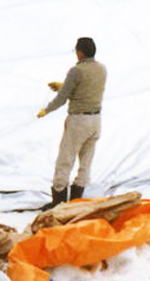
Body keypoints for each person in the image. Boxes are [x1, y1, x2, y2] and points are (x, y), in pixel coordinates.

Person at [35, 37, 106, 210]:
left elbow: (62, 98)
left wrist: (47, 110)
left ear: (79, 51)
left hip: (79, 121)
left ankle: (58, 200)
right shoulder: (101, 69)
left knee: (65, 160)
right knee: (86, 161)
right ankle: (76, 199)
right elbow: (87, 88)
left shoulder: (76, 71)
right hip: (96, 121)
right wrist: (64, 85)